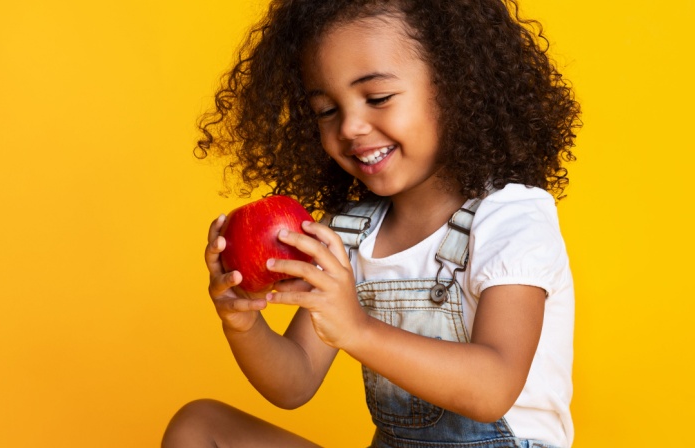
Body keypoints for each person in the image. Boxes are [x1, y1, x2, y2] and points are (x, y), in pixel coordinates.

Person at [163, 0, 581, 446]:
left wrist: (357, 329)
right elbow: (294, 381)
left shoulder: (510, 216)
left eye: (377, 98)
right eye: (327, 110)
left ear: (456, 87)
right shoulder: (345, 234)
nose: (351, 127)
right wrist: (243, 325)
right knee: (198, 426)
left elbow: (492, 388)